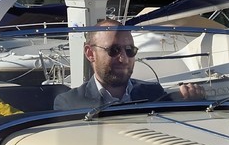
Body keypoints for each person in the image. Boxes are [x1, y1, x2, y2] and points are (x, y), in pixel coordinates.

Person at [53, 22, 201, 110]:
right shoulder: (70, 103)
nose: (123, 59)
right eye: (114, 50)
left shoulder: (154, 94)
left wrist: (191, 104)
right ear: (90, 53)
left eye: (130, 50)